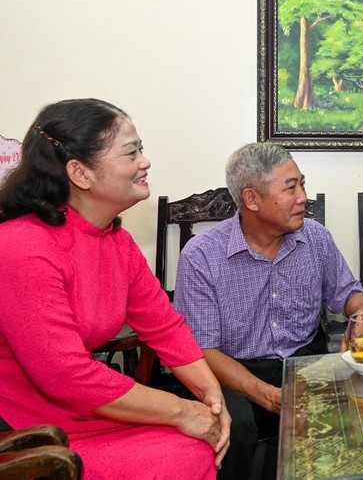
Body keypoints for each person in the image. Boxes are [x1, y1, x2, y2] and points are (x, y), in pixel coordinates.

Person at [0, 98, 231, 480]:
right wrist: (182, 409)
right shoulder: (21, 247)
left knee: (192, 447)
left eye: (141, 149)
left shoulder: (117, 242)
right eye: (131, 152)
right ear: (80, 172)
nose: (145, 161)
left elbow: (164, 327)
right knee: (179, 454)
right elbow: (67, 376)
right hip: (26, 426)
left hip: (83, 407)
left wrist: (211, 396)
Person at [174, 141, 363, 480]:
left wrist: (362, 318)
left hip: (302, 363)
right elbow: (202, 350)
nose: (303, 197)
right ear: (252, 199)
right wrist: (266, 395)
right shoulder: (202, 256)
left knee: (340, 415)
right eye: (291, 187)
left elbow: (351, 294)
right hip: (231, 373)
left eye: (302, 184)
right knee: (230, 422)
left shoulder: (316, 239)